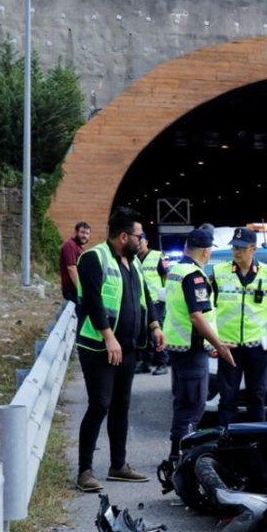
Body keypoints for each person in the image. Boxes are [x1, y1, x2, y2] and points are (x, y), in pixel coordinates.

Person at [74, 207, 163, 492]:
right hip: (99, 347)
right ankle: (85, 471)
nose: (142, 240)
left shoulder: (133, 262)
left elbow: (145, 296)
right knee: (100, 404)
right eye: (139, 235)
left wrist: (154, 325)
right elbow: (92, 302)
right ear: (124, 236)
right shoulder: (93, 258)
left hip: (129, 347)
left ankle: (118, 465)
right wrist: (108, 337)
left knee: (121, 406)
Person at [163, 224, 234, 460]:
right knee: (193, 406)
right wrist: (219, 345)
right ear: (206, 251)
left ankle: (177, 453)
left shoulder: (176, 270)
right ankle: (182, 456)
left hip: (178, 347)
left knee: (182, 403)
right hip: (192, 351)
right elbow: (196, 316)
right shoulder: (194, 276)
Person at [212, 226, 267, 426]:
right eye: (234, 247)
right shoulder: (219, 273)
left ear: (253, 249)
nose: (236, 251)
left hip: (257, 347)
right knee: (227, 398)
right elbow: (208, 310)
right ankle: (227, 442)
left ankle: (257, 444)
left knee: (257, 397)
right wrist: (213, 343)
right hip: (229, 347)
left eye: (241, 248)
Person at [135, 233, 171, 376]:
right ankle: (146, 363)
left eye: (141, 241)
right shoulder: (133, 258)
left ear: (147, 242)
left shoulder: (158, 255)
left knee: (157, 333)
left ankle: (162, 363)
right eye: (136, 241)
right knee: (143, 334)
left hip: (156, 301)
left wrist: (167, 295)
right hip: (141, 302)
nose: (138, 244)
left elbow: (166, 275)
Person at [59, 221, 91, 303]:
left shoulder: (79, 248)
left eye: (87, 233)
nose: (84, 236)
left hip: (76, 290)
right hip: (72, 291)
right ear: (76, 232)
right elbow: (71, 268)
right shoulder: (70, 245)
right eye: (82, 232)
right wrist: (81, 290)